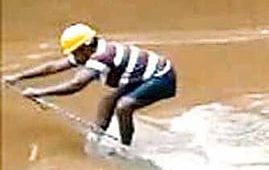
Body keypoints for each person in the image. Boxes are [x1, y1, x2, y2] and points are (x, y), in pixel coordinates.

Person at [2, 23, 177, 145]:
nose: (73, 57)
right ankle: (97, 136)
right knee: (107, 101)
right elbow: (53, 67)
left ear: (86, 47)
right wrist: (18, 76)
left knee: (124, 106)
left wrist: (40, 92)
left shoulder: (102, 57)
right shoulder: (89, 52)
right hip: (142, 77)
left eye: (74, 52)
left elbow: (76, 85)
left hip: (162, 77)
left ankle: (125, 147)